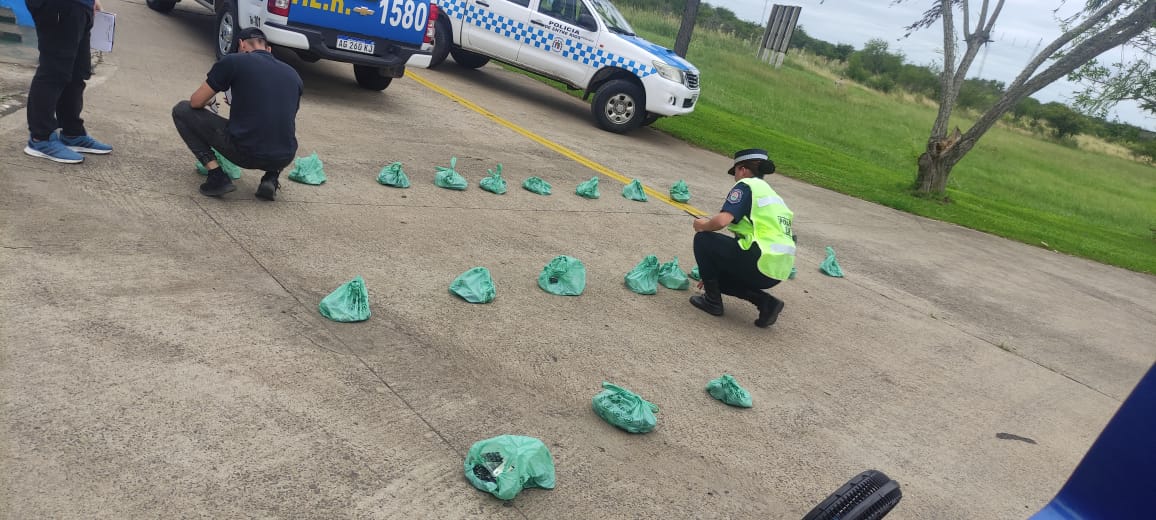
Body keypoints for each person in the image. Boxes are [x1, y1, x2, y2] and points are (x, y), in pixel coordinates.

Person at [171, 27, 303, 200]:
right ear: (268, 49)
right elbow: (279, 114)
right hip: (284, 156)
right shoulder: (293, 75)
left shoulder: (234, 61)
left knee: (182, 110)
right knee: (278, 127)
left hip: (245, 153)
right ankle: (270, 178)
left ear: (241, 45)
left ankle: (217, 177)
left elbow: (196, 102)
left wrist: (207, 102)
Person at [690, 148, 796, 328]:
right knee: (717, 276)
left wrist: (702, 225)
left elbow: (722, 221)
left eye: (736, 172)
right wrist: (711, 274)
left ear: (743, 169)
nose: (735, 177)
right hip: (777, 270)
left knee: (703, 239)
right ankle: (766, 303)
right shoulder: (772, 195)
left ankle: (712, 301)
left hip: (759, 261)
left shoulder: (747, 186)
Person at [23, 0, 113, 163]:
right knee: (54, 71)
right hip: (59, 6)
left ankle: (72, 133)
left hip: (80, 6)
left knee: (77, 73)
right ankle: (40, 138)